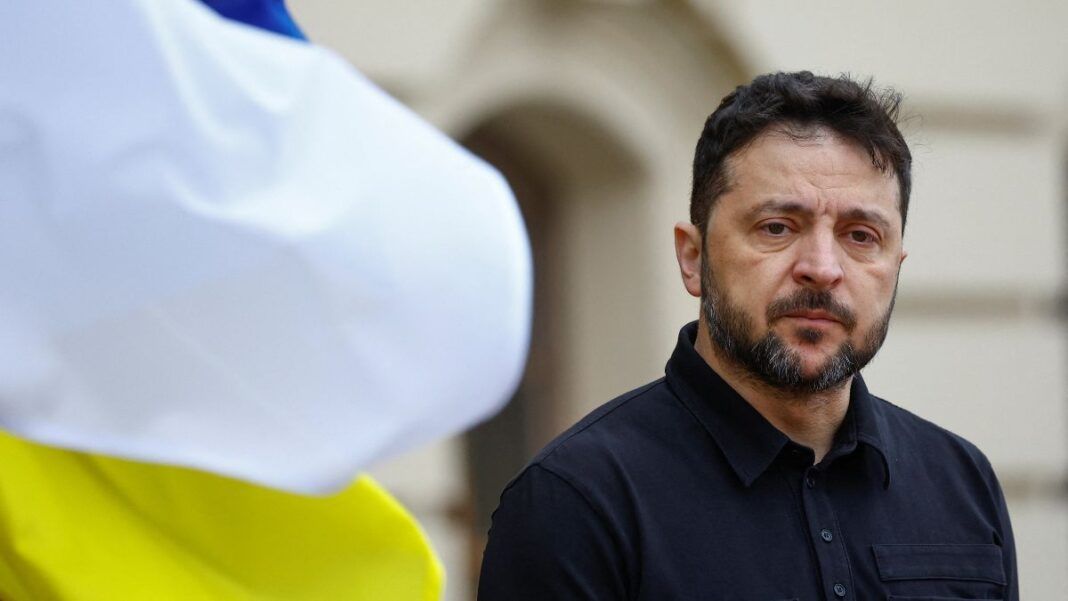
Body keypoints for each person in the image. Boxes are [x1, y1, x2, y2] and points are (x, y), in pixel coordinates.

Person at [478, 71, 1018, 600]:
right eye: (777, 227)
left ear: (896, 265)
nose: (822, 268)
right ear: (693, 258)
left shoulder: (961, 483)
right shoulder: (577, 501)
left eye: (860, 235)